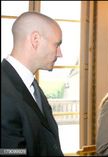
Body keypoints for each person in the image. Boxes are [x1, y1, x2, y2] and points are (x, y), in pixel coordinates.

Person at [1, 12, 63, 156]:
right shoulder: (3, 90)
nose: (60, 53)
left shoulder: (32, 86)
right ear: (35, 39)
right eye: (57, 44)